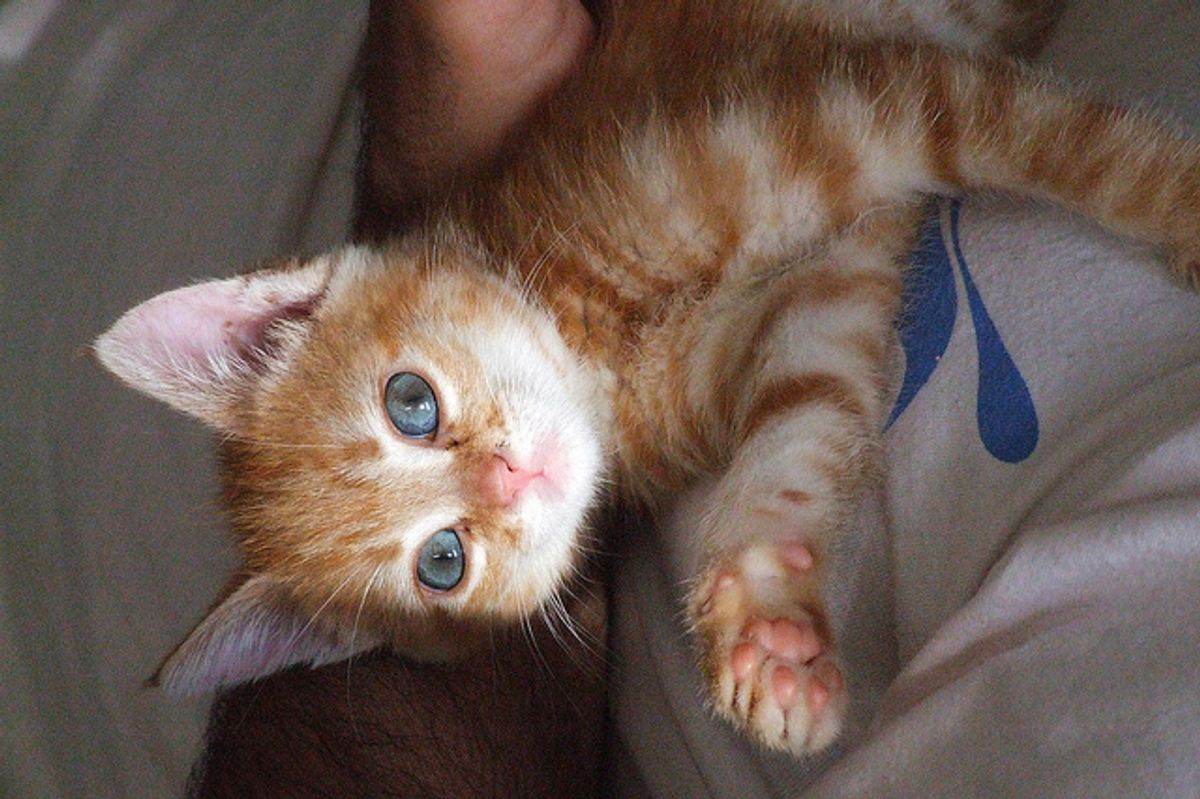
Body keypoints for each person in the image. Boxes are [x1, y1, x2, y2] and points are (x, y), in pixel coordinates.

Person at [3, 1, 1198, 796]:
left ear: (291, 309)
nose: (501, 485)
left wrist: (1164, 195)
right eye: (444, 562)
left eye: (414, 408)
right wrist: (766, 546)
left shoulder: (568, 229)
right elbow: (837, 287)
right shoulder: (620, 435)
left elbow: (892, 112)